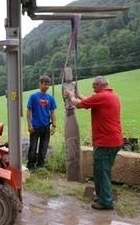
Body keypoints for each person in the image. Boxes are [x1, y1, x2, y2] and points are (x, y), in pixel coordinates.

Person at [65, 76, 123, 210]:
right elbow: (89, 101)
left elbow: (79, 104)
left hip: (105, 143)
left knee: (102, 172)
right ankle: (103, 196)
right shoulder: (110, 96)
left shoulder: (102, 97)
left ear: (99, 85)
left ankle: (106, 202)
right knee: (103, 171)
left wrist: (71, 95)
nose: (92, 88)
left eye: (93, 86)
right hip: (113, 141)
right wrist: (78, 94)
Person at [27, 75, 57, 171]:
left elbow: (52, 112)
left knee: (43, 148)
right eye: (45, 84)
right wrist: (29, 124)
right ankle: (31, 166)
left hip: (46, 127)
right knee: (33, 147)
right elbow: (29, 110)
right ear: (40, 84)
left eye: (48, 84)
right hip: (35, 127)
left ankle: (40, 166)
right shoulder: (33, 96)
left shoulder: (50, 98)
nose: (46, 86)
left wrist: (54, 125)